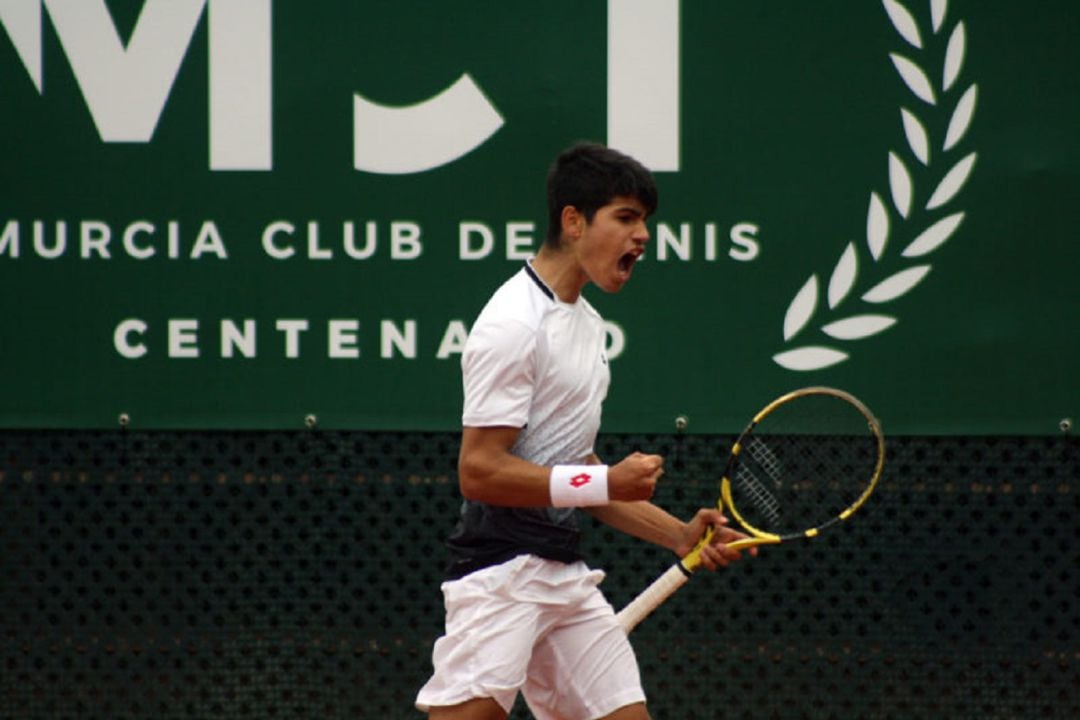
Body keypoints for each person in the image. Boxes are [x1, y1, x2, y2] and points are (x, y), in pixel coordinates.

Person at [415, 143, 753, 720]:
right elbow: (479, 471)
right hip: (501, 574)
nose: (642, 236)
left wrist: (677, 534)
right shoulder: (513, 323)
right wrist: (604, 483)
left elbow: (578, 469)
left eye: (644, 221)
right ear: (573, 222)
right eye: (625, 217)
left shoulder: (588, 326)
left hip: (564, 577)